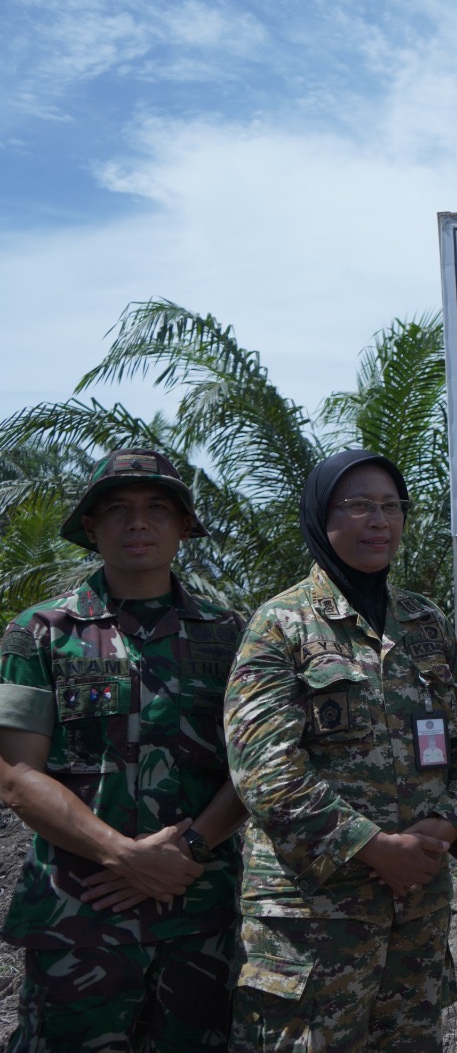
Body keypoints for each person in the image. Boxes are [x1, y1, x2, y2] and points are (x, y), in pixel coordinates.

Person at [225, 449, 457, 1050]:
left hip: (416, 903)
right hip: (315, 916)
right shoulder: (281, 625)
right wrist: (374, 848)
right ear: (321, 517)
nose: (380, 520)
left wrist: (444, 826)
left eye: (391, 506)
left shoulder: (423, 621)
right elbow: (264, 770)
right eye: (359, 506)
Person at [0, 447, 248, 1050]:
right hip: (79, 917)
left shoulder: (233, 636)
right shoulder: (39, 633)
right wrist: (123, 855)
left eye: (157, 507)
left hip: (201, 915)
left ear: (184, 526)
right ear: (91, 527)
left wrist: (186, 848)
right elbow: (14, 775)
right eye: (117, 509)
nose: (137, 522)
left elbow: (256, 767)